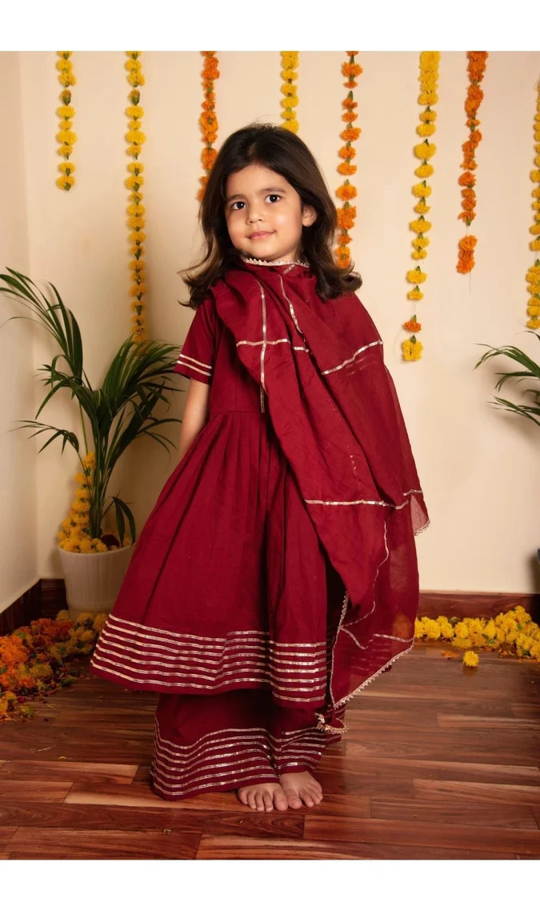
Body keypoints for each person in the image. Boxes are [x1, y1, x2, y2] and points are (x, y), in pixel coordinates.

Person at [90, 123, 430, 813]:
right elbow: (197, 405)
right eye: (238, 204)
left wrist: (364, 497)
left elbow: (368, 409)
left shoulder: (339, 307)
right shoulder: (222, 302)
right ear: (223, 220)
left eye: (272, 198)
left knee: (296, 609)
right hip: (226, 479)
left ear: (309, 210)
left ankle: (289, 749)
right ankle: (237, 758)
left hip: (310, 489)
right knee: (221, 609)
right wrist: (184, 492)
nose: (255, 216)